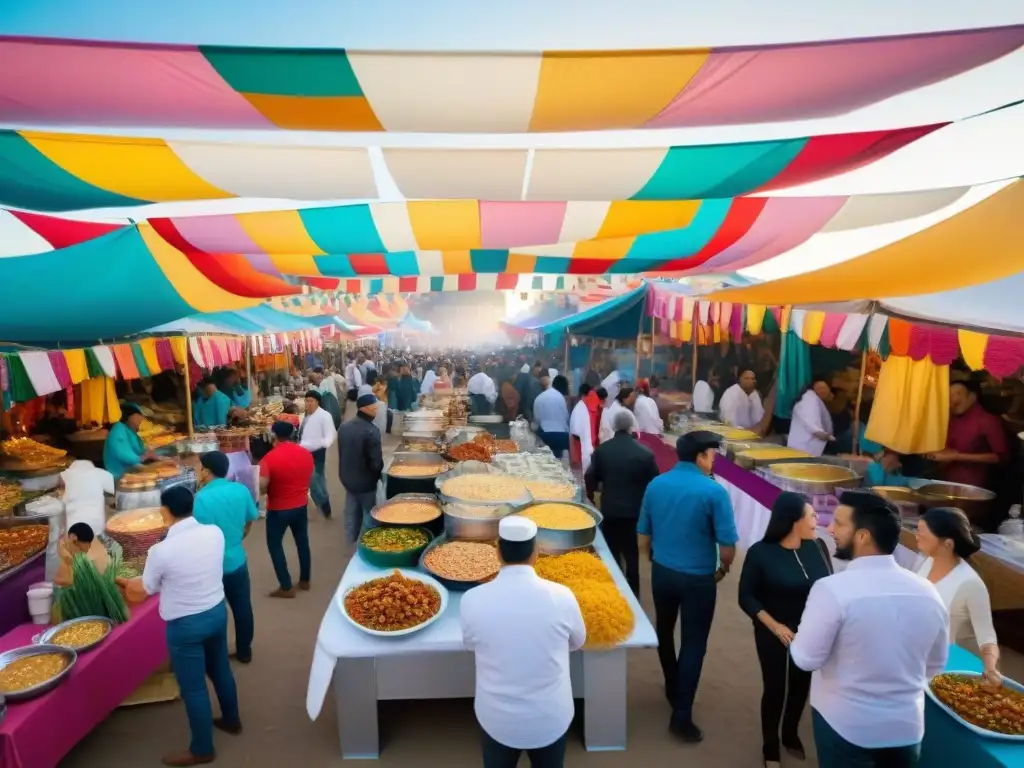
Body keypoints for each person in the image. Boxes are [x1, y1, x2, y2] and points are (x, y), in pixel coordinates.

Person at [789, 490, 949, 768]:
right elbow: (935, 666)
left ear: (863, 536)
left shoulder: (832, 590)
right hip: (906, 730)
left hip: (846, 727)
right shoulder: (928, 592)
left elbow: (805, 658)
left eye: (838, 523)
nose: (829, 529)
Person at [116, 486, 241, 766]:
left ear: (164, 512)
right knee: (220, 668)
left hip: (186, 625)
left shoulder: (161, 551)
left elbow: (144, 589)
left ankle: (202, 749)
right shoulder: (215, 533)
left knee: (193, 687)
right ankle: (232, 720)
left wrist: (125, 584)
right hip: (216, 612)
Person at [461, 516, 586, 768]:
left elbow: (471, 644)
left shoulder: (472, 599)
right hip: (550, 715)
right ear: (536, 552)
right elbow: (577, 642)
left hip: (497, 718)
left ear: (497, 551)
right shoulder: (562, 597)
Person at [638, 431, 738, 743]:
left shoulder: (657, 484)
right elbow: (727, 545)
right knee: (694, 642)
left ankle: (672, 684)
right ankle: (682, 713)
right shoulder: (713, 492)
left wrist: (652, 561)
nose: (714, 461)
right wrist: (723, 569)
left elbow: (643, 534)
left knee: (665, 631)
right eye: (712, 455)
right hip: (698, 578)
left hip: (664, 573)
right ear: (700, 456)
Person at [738, 492, 832, 767]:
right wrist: (775, 625)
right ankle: (770, 747)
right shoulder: (760, 552)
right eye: (811, 514)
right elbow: (746, 597)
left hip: (809, 631)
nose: (817, 519)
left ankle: (790, 733)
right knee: (775, 688)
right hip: (772, 630)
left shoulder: (817, 547)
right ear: (793, 521)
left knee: (801, 685)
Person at [915, 506, 1000, 687]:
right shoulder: (927, 562)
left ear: (947, 544)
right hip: (920, 656)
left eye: (923, 533)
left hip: (953, 669)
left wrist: (990, 669)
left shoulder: (970, 584)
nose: (917, 535)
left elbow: (987, 636)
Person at [193, 451, 259, 664]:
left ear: (206, 471)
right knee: (242, 607)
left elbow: (198, 535)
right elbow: (250, 520)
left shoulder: (201, 498)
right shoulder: (240, 490)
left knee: (215, 611)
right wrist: (238, 538)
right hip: (237, 560)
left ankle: (216, 654)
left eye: (199, 467)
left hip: (211, 565)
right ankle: (244, 650)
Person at [586, 410, 659, 596]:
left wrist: (591, 497)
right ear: (631, 426)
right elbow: (654, 484)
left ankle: (615, 592)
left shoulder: (602, 451)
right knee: (632, 552)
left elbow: (590, 476)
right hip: (634, 511)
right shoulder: (645, 453)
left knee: (612, 551)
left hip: (610, 509)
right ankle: (633, 593)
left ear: (614, 426)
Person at [258, 421, 313, 598]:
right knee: (302, 542)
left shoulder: (269, 458)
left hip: (278, 508)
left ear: (274, 436)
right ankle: (305, 580)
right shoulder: (305, 454)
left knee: (275, 545)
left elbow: (263, 486)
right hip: (301, 504)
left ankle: (286, 586)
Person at [927, 379, 1009, 491]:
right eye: (949, 395)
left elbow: (1001, 457)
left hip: (972, 487)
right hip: (946, 481)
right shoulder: (950, 419)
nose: (953, 399)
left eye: (958, 394)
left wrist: (957, 456)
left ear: (973, 396)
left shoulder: (987, 420)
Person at [337, 393, 384, 544]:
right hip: (366, 481)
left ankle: (351, 539)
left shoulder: (344, 427)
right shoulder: (371, 431)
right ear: (366, 409)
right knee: (369, 514)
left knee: (351, 511)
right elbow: (375, 463)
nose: (376, 411)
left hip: (347, 478)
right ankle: (365, 545)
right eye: (374, 408)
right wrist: (379, 475)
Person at [298, 390, 336, 519]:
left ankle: (324, 504)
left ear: (317, 402)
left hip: (317, 452)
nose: (308, 404)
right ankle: (323, 504)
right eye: (306, 401)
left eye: (311, 401)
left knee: (315, 479)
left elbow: (330, 435)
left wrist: (320, 444)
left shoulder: (324, 416)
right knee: (314, 480)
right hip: (303, 451)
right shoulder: (306, 415)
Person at [103, 403, 157, 482]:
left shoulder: (130, 431)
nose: (142, 419)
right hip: (118, 476)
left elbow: (139, 450)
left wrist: (153, 455)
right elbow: (123, 454)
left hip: (130, 471)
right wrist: (144, 457)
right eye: (139, 415)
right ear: (131, 416)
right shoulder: (118, 430)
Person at [59, 458, 115, 534]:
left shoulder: (64, 474)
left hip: (71, 526)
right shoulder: (100, 473)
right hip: (97, 525)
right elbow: (116, 488)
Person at [787, 378, 836, 457]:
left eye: (824, 388)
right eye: (820, 388)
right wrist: (824, 435)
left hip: (804, 448)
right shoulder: (810, 398)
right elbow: (810, 423)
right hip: (804, 449)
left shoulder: (815, 400)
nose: (822, 391)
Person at [54, 522, 111, 586]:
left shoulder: (69, 556)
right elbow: (65, 581)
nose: (77, 554)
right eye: (79, 549)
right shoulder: (59, 551)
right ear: (73, 538)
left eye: (81, 552)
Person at [533, 375, 571, 458]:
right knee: (558, 458)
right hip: (562, 437)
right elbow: (566, 418)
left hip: (544, 436)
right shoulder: (561, 398)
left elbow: (537, 419)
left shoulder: (539, 397)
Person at [568, 383, 595, 472]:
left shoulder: (582, 408)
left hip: (584, 448)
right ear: (584, 395)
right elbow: (575, 433)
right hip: (581, 450)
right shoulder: (579, 409)